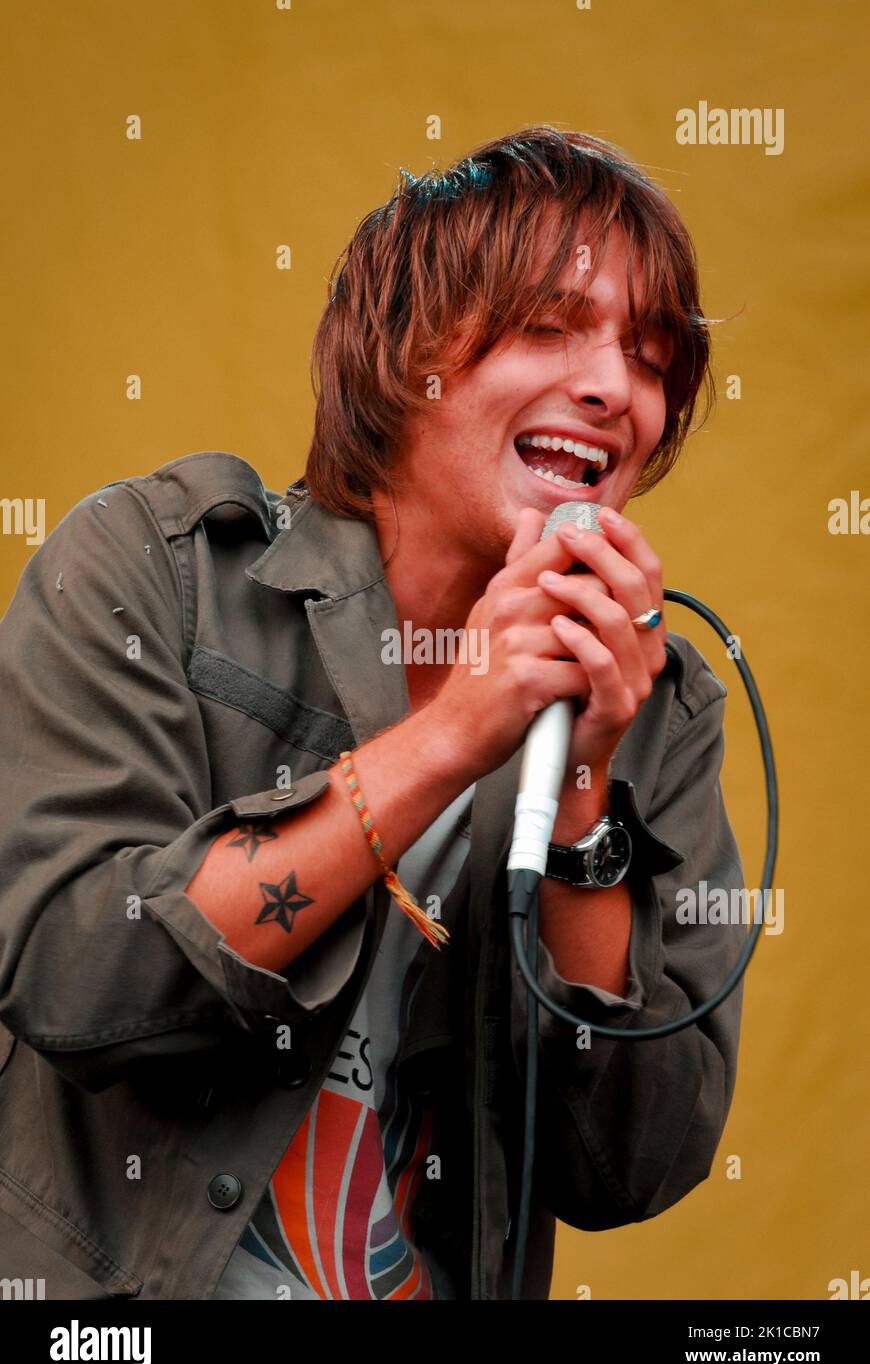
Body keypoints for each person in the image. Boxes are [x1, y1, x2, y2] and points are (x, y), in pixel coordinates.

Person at [0, 126, 745, 1301]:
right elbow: (77, 977)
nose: (613, 388)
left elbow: (632, 1165)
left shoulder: (659, 704)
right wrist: (459, 729)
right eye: (551, 327)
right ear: (409, 354)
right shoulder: (156, 566)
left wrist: (584, 802)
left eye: (651, 360)